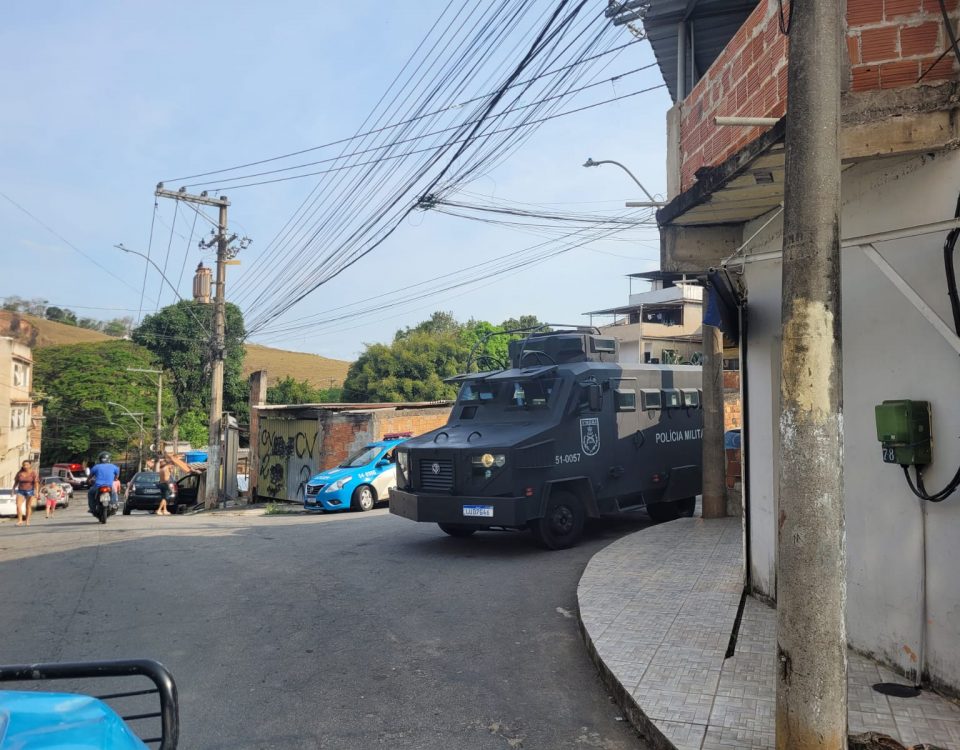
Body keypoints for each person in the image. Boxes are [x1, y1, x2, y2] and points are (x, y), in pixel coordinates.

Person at [87, 452, 120, 517]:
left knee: (90, 493)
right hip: (109, 486)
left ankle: (92, 508)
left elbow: (90, 477)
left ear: (100, 459)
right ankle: (114, 505)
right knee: (114, 493)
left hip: (98, 486)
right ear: (109, 459)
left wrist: (88, 481)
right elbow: (117, 477)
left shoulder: (96, 467)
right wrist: (115, 479)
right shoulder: (114, 467)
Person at [13, 460, 38, 526]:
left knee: (28, 506)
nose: (25, 466)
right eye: (24, 465)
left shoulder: (33, 473)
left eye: (27, 465)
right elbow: (16, 481)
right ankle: (20, 521)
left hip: (30, 491)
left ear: (30, 465)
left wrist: (36, 492)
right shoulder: (20, 473)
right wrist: (13, 489)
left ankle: (27, 521)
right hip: (20, 491)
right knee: (18, 505)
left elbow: (36, 483)